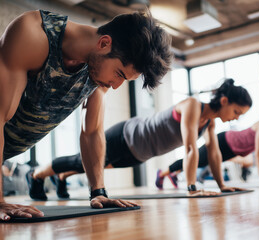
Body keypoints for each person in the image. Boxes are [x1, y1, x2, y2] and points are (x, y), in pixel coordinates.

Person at [0, 9, 173, 221]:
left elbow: (91, 131)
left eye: (124, 80)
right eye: (119, 74)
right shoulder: (34, 34)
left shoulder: (98, 72)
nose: (116, 85)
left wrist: (98, 192)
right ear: (104, 43)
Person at [26, 79, 252, 199]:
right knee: (81, 161)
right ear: (224, 101)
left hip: (140, 153)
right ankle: (35, 175)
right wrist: (191, 187)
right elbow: (191, 149)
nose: (235, 119)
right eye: (236, 113)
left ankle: (62, 177)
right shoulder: (193, 106)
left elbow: (214, 153)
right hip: (127, 136)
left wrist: (222, 186)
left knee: (95, 167)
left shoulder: (209, 123)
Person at [159, 101, 259, 188]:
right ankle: (163, 172)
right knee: (197, 159)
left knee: (200, 163)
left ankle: (173, 173)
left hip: (231, 150)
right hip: (225, 141)